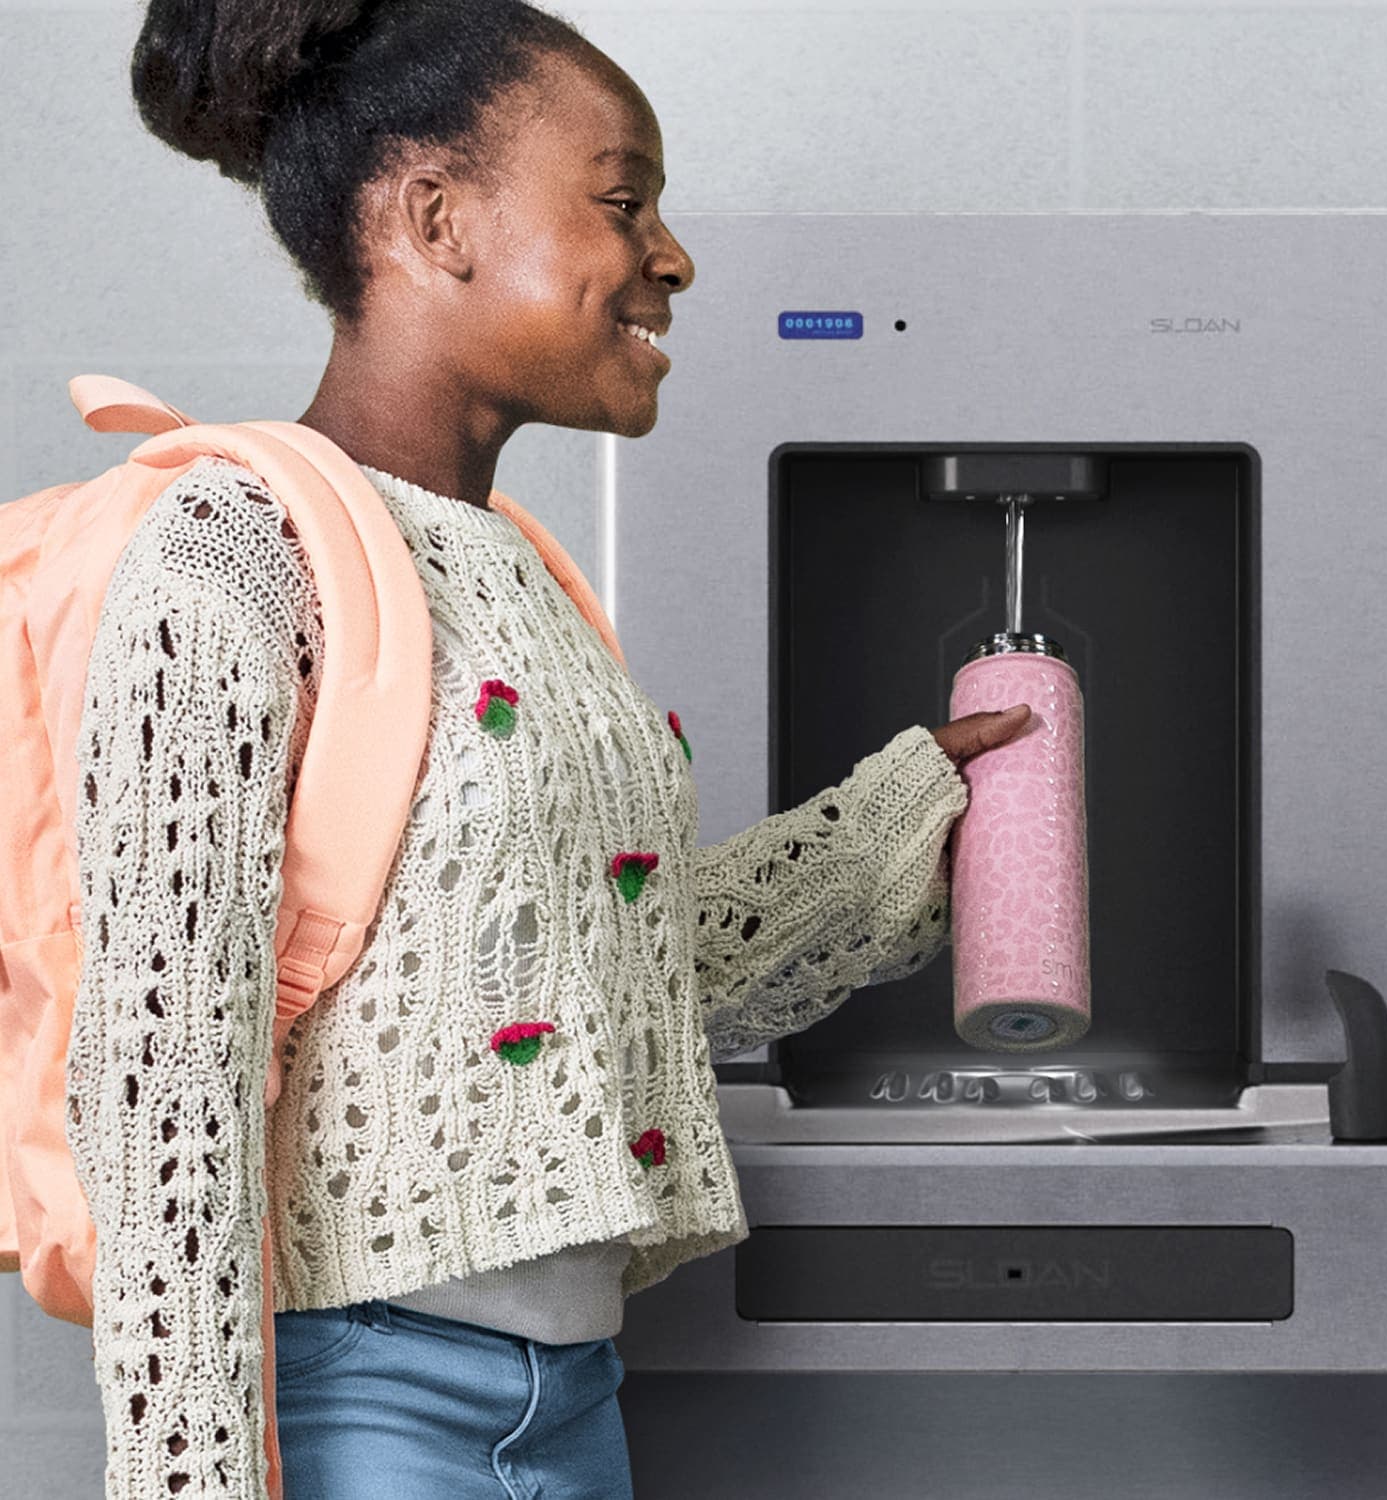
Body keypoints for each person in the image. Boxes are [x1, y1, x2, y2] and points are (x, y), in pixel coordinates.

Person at [67, 2, 1032, 1495]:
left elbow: (585, 967)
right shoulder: (232, 554)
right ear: (435, 216)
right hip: (355, 1403)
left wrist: (892, 829)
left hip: (571, 1403)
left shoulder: (517, 566)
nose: (672, 255)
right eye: (621, 198)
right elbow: (167, 1079)